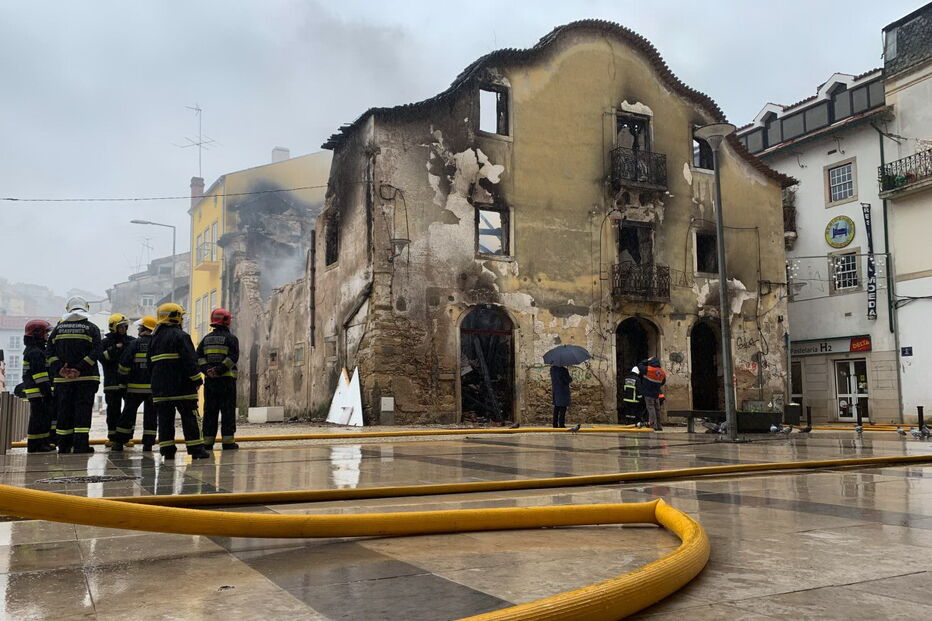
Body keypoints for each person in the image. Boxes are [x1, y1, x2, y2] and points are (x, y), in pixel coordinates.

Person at [148, 303, 210, 460]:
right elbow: (190, 360)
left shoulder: (154, 339)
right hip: (182, 387)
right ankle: (196, 449)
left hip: (161, 389)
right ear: (175, 317)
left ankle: (167, 450)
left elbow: (149, 364)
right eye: (181, 316)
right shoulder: (181, 336)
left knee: (164, 420)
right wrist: (197, 379)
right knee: (190, 417)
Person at [47, 296, 101, 453]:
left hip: (62, 380)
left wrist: (60, 369)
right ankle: (80, 445)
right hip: (86, 378)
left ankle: (63, 445)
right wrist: (79, 368)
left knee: (64, 411)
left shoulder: (58, 329)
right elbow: (97, 351)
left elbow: (49, 352)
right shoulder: (92, 328)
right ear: (85, 309)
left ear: (68, 309)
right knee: (82, 412)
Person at [111, 316, 157, 452]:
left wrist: (123, 383)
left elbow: (124, 365)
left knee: (127, 415)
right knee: (151, 417)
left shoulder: (134, 344)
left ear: (144, 329)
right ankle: (148, 444)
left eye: (140, 327)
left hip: (133, 388)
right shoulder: (157, 343)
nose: (138, 329)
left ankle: (119, 443)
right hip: (153, 389)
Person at [196, 308, 240, 450]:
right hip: (226, 381)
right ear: (227, 321)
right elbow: (233, 357)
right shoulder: (231, 339)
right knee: (227, 411)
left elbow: (198, 358)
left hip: (211, 381)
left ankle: (207, 442)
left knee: (210, 410)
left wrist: (208, 371)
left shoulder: (205, 339)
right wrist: (219, 370)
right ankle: (228, 442)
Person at [21, 320, 56, 453]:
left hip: (36, 390)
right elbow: (40, 376)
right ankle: (37, 445)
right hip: (38, 391)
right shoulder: (36, 352)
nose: (47, 335)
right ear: (37, 333)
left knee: (41, 418)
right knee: (38, 419)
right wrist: (47, 392)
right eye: (46, 332)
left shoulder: (36, 349)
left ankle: (40, 443)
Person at [101, 313, 134, 444]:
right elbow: (103, 358)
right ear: (113, 327)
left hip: (128, 382)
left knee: (128, 411)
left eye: (125, 326)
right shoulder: (105, 342)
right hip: (112, 383)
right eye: (120, 327)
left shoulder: (131, 341)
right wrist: (115, 348)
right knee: (113, 411)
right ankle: (113, 437)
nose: (124, 329)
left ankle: (126, 437)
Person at [637, 356, 667, 431]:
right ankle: (659, 426)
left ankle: (653, 425)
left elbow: (639, 365)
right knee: (657, 409)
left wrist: (647, 360)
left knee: (651, 409)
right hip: (656, 393)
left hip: (648, 393)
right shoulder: (662, 372)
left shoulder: (649, 369)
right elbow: (663, 382)